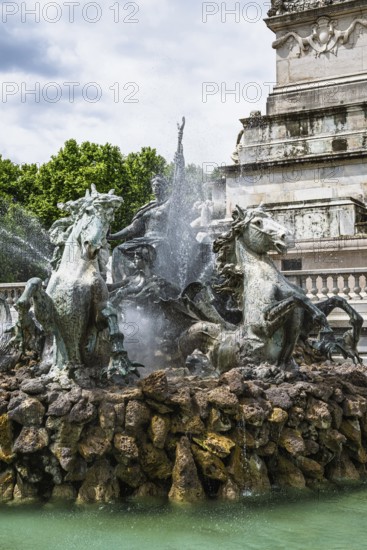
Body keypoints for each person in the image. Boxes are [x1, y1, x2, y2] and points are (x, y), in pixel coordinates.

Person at [108, 175, 170, 283]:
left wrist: (180, 165)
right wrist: (112, 236)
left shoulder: (169, 204)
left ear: (164, 187)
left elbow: (179, 187)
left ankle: (156, 284)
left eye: (159, 185)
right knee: (117, 250)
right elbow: (132, 228)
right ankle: (119, 284)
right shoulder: (147, 207)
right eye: (154, 186)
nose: (156, 188)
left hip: (160, 238)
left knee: (152, 250)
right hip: (145, 239)